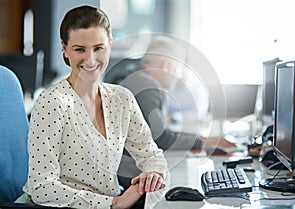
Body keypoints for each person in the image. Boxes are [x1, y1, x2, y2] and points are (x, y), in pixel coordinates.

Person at [21, 5, 168, 209]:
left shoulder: (121, 99)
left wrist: (153, 174)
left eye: (99, 48)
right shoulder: (52, 103)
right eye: (79, 49)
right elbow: (41, 187)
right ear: (64, 48)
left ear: (110, 45)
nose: (90, 60)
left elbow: (151, 154)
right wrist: (113, 203)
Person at [117, 35, 235, 188]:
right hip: (132, 176)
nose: (179, 75)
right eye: (179, 68)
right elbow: (160, 137)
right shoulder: (146, 84)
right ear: (166, 65)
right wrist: (202, 142)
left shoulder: (138, 78)